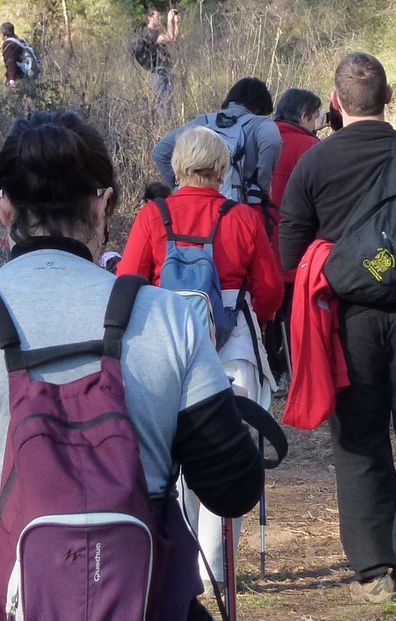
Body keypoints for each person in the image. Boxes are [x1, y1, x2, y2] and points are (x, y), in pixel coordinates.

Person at [0, 111, 266, 621]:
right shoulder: (170, 317)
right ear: (103, 203)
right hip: (142, 590)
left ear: (2, 203)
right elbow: (232, 490)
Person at [279, 52, 396, 608]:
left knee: (360, 439)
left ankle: (374, 571)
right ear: (389, 97)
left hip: (347, 326)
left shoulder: (314, 164)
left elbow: (289, 254)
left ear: (335, 102)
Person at [118, 125, 285, 596]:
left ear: (176, 166)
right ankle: (216, 568)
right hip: (233, 349)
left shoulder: (153, 215)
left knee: (168, 454)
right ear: (223, 168)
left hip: (163, 347)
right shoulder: (243, 217)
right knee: (226, 455)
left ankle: (181, 566)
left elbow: (128, 281)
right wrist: (259, 318)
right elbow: (270, 290)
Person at [264, 87, 326, 388]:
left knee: (266, 311)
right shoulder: (310, 147)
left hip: (261, 238)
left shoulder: (261, 139)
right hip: (298, 242)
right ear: (303, 116)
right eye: (314, 117)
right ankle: (297, 371)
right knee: (294, 311)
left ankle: (271, 372)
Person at [152, 77, 283, 208]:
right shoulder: (260, 124)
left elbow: (160, 152)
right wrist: (262, 188)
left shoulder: (205, 121)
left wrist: (179, 185)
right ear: (261, 108)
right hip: (237, 207)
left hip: (191, 206)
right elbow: (272, 142)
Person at [131, 7, 181, 108]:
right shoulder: (149, 33)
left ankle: (168, 118)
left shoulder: (155, 33)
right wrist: (169, 20)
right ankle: (163, 119)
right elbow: (169, 38)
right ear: (150, 18)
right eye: (158, 16)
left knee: (169, 102)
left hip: (165, 69)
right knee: (162, 102)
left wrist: (176, 23)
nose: (160, 18)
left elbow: (174, 39)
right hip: (159, 72)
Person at [0, 22, 32, 89]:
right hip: (30, 72)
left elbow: (10, 62)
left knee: (12, 93)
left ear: (3, 34)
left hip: (20, 76)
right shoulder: (21, 41)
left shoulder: (8, 44)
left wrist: (11, 79)